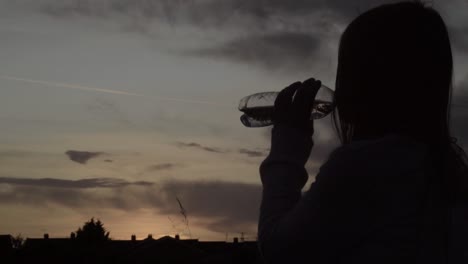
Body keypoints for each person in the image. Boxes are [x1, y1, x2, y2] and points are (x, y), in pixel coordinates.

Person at [258, 2, 468, 264]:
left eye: (345, 70)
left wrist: (287, 148)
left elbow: (279, 249)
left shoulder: (364, 165)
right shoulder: (451, 171)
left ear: (367, 81)